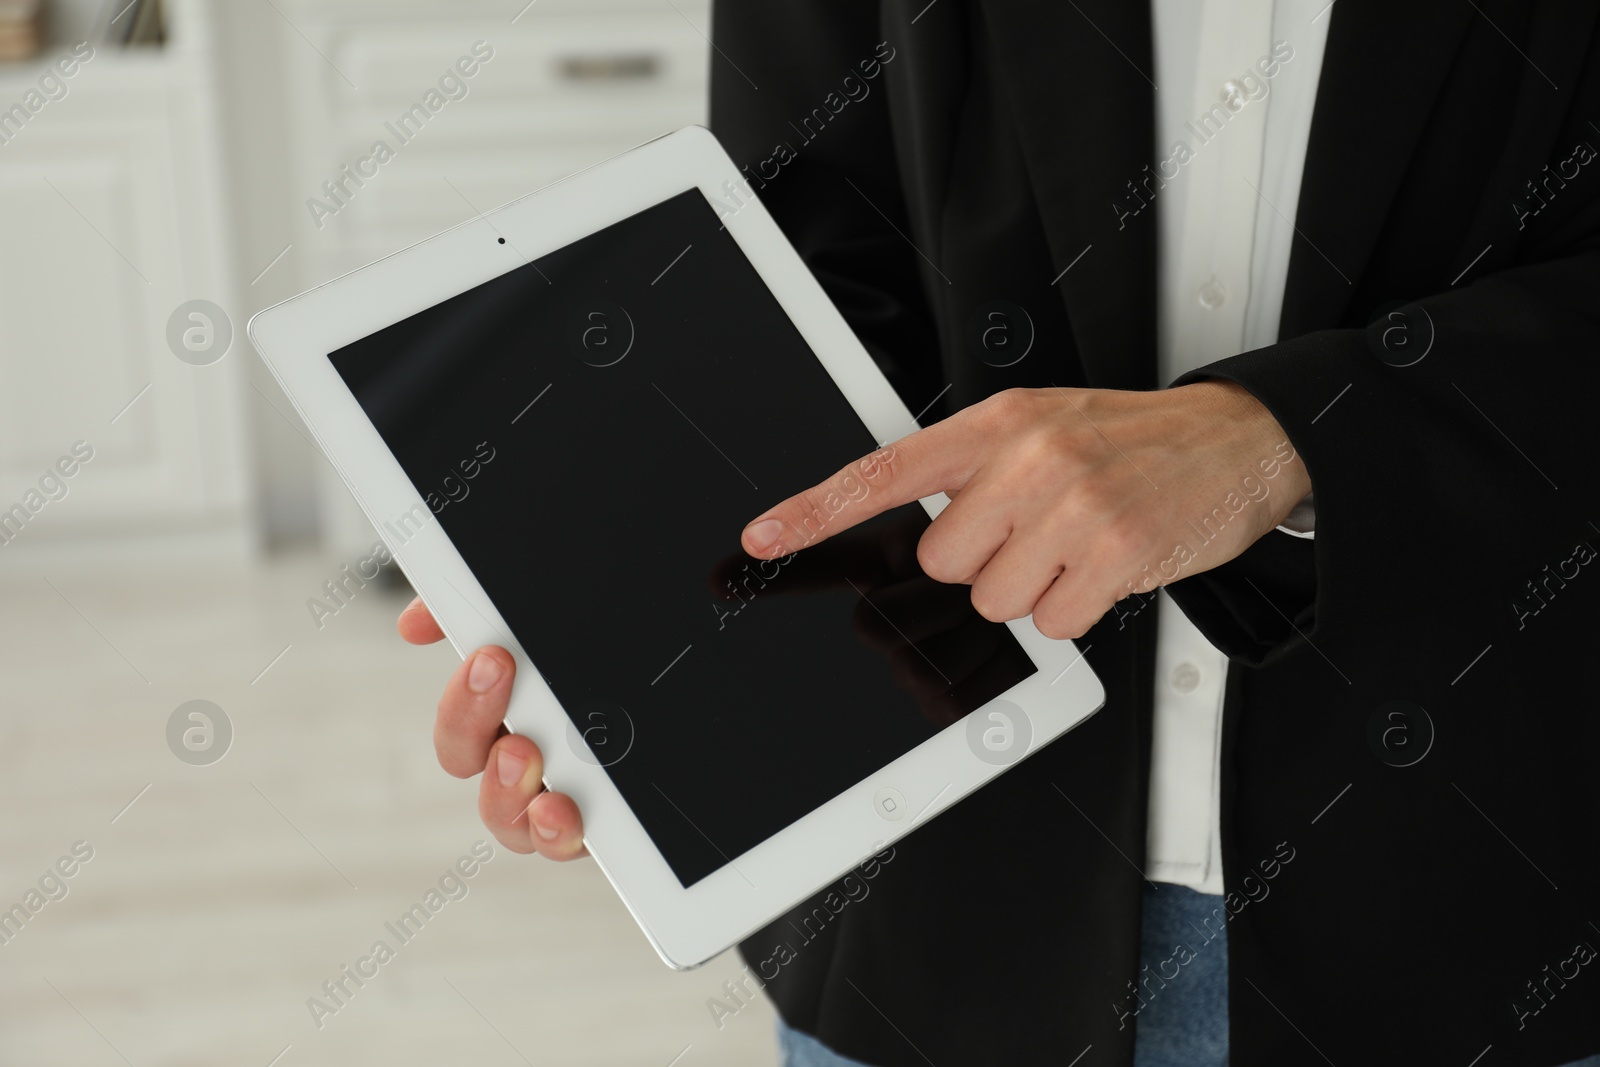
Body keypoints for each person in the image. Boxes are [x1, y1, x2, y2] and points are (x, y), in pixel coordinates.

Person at [398, 1, 1600, 1063]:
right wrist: (632, 615)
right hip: (934, 926)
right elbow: (809, 243)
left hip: (1483, 909)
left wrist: (1289, 435)